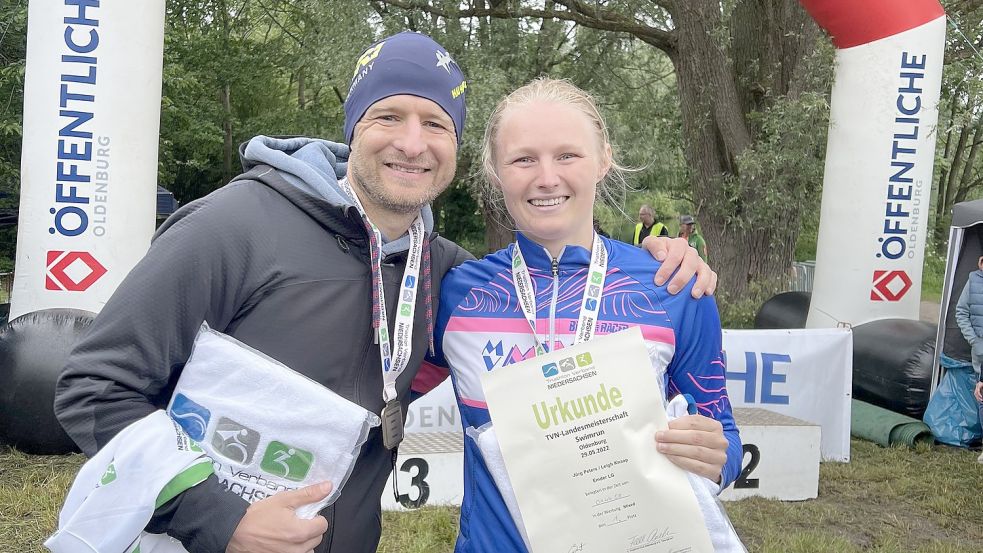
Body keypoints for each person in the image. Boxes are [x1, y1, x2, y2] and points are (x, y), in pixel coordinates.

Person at [53, 33, 713, 553]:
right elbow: (92, 387)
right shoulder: (234, 225)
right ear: (351, 128)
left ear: (454, 146)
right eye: (387, 116)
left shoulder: (447, 274)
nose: (410, 142)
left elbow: (540, 287)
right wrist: (219, 519)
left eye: (435, 122)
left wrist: (655, 255)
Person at [427, 78, 741, 551]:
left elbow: (725, 438)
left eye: (567, 155)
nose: (547, 177)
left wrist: (714, 457)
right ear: (495, 171)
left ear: (603, 159)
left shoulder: (673, 286)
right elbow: (376, 398)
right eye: (523, 158)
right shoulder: (455, 294)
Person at [952, 255, 983, 463]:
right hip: (981, 353)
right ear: (981, 262)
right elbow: (961, 312)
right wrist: (975, 341)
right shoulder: (973, 281)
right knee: (982, 398)